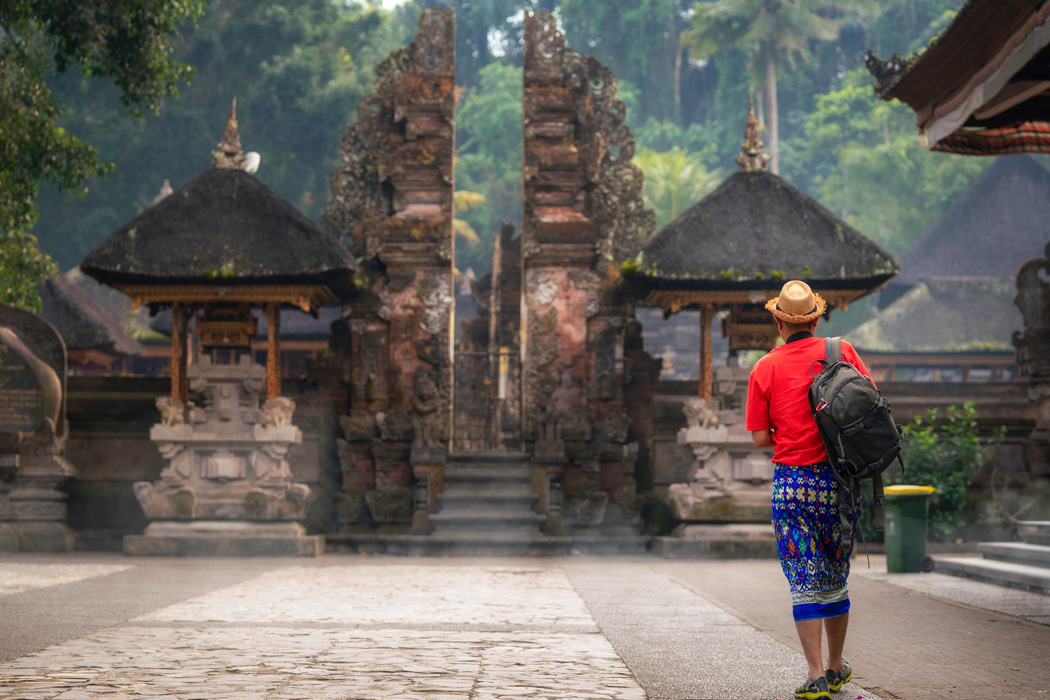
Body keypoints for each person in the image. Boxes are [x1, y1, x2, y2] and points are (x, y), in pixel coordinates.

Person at [745, 280, 874, 700]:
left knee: (804, 579)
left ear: (778, 320)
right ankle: (837, 668)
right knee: (836, 576)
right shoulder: (843, 352)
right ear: (817, 318)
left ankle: (815, 675)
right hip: (838, 485)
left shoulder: (764, 368)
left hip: (793, 487)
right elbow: (870, 407)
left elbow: (762, 440)